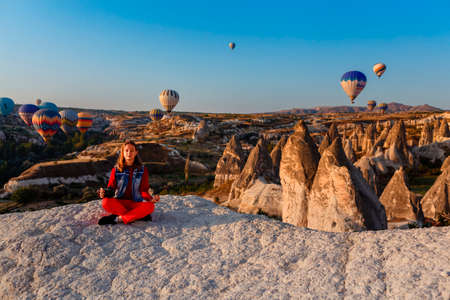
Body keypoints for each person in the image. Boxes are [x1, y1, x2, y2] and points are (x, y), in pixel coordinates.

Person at [98, 140, 159, 225]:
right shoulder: (116, 170)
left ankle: (117, 218)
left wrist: (150, 199)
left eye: (132, 151)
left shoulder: (142, 170)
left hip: (135, 203)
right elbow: (111, 188)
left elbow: (144, 190)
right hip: (120, 203)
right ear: (122, 152)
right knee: (105, 202)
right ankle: (137, 215)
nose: (129, 153)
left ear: (136, 152)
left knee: (150, 206)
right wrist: (104, 193)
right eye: (126, 150)